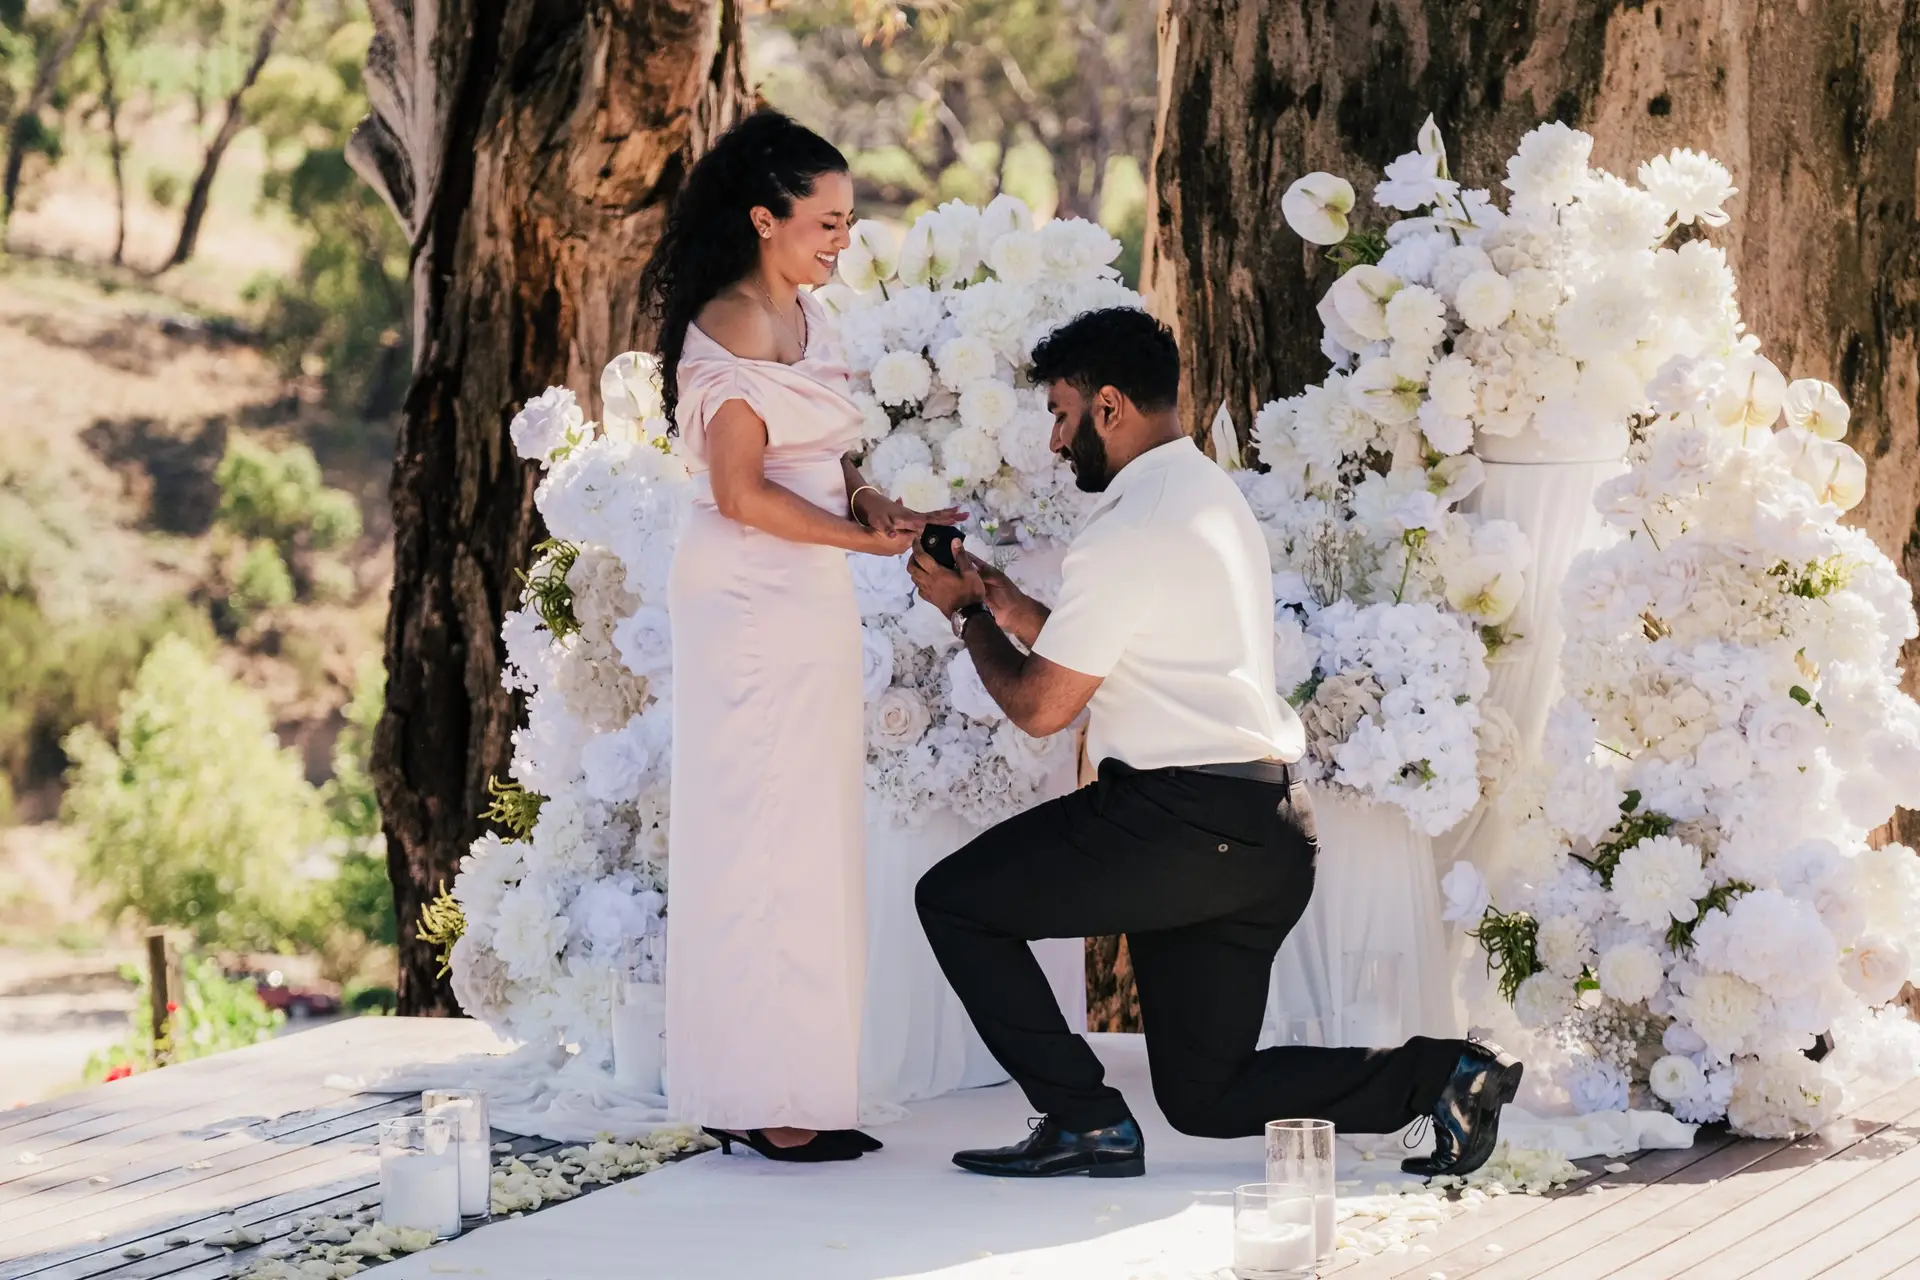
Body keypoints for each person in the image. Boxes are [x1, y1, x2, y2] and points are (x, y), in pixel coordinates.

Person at [907, 307, 1521, 1180]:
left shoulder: (1126, 530)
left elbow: (1044, 707)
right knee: (1205, 1094)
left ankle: (1084, 1118)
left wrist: (965, 615)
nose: (1053, 439)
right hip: (1264, 830)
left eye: (1060, 413)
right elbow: (1129, 658)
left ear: (1109, 406)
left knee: (955, 901)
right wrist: (1008, 606)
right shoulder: (1199, 491)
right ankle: (1447, 1076)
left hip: (1182, 823)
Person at [639, 111, 963, 1164]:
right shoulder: (724, 330)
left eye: (849, 220)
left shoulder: (815, 319)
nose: (842, 239)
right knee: (759, 833)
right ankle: (757, 1090)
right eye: (825, 221)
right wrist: (857, 544)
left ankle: (801, 1079)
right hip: (745, 598)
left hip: (808, 587)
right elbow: (739, 494)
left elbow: (824, 453)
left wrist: (875, 504)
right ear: (763, 220)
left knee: (811, 826)